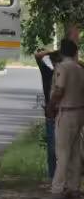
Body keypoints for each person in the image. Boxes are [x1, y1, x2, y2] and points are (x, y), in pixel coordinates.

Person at [45, 39, 84, 199]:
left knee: (62, 152)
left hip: (65, 112)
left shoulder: (62, 67)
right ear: (75, 53)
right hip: (79, 112)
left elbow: (60, 89)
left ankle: (57, 189)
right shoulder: (80, 69)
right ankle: (74, 187)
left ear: (61, 52)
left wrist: (51, 105)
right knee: (75, 152)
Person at [35, 49, 64, 179]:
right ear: (52, 62)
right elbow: (38, 56)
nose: (57, 64)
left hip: (65, 114)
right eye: (55, 61)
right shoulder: (47, 72)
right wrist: (56, 50)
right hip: (51, 116)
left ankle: (63, 178)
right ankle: (52, 178)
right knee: (52, 150)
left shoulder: (67, 74)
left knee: (65, 149)